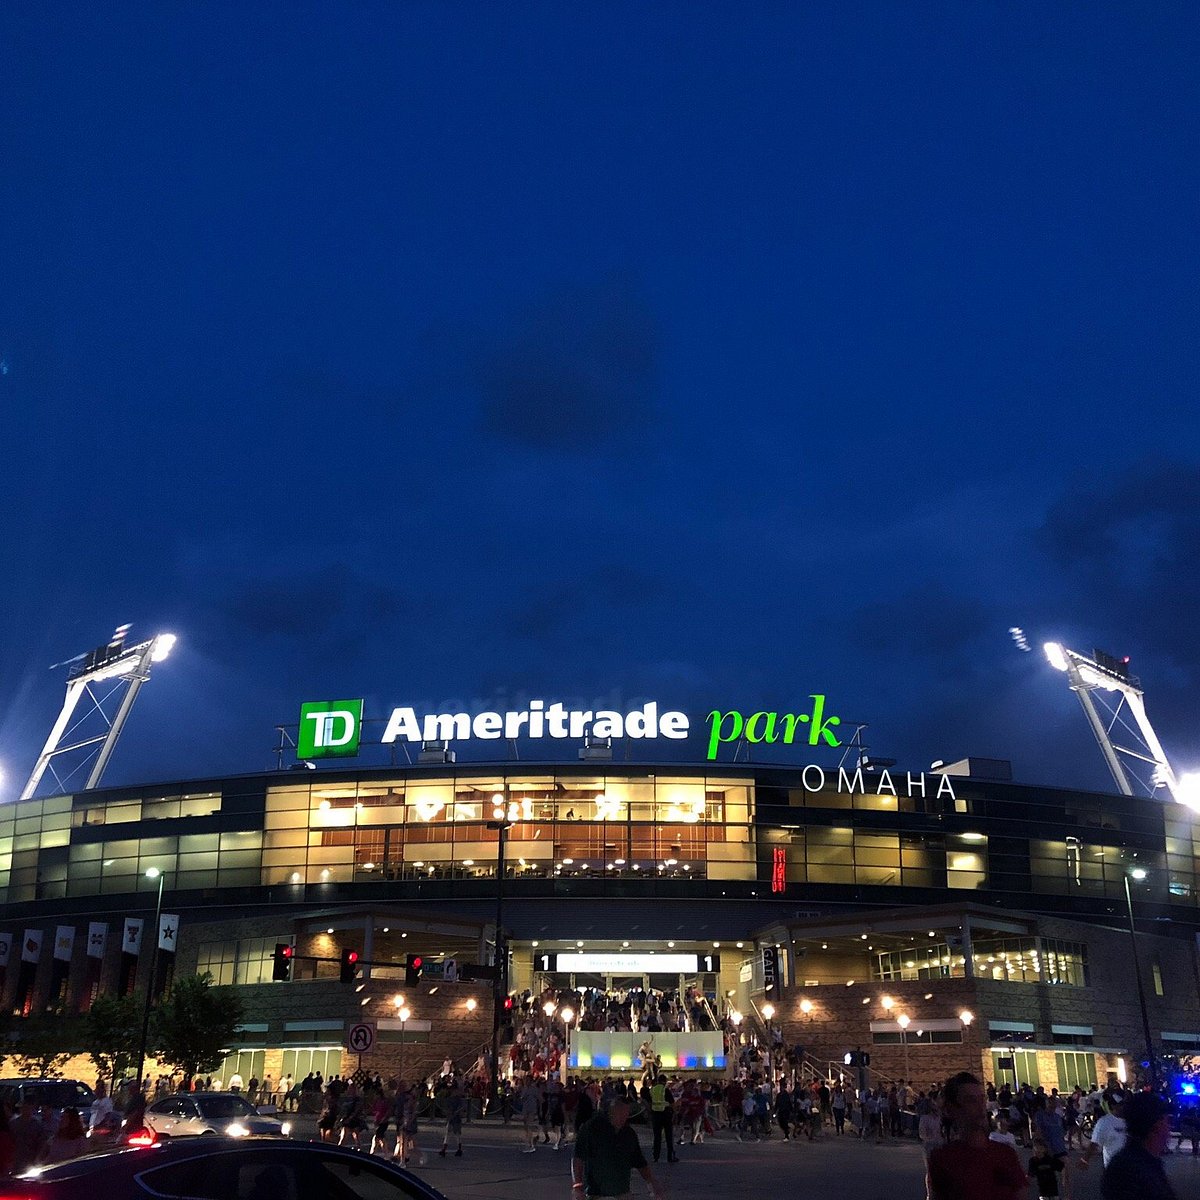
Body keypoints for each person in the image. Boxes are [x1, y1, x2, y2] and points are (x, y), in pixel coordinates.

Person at [927, 1072, 1026, 1200]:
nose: (980, 1107)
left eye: (982, 1099)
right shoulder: (942, 1159)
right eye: (970, 1100)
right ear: (951, 1109)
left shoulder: (1006, 1154)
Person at [572, 1095, 665, 1200]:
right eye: (620, 1114)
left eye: (626, 1115)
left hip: (622, 1192)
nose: (623, 1119)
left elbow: (639, 1161)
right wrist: (577, 1186)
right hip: (596, 1194)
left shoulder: (628, 1133)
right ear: (611, 1112)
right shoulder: (592, 1128)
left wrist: (651, 1182)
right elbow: (578, 1158)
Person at [1100, 1092, 1175, 1200]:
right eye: (1167, 1122)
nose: (1168, 1129)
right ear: (1156, 1127)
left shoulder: (1148, 1161)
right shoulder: (1128, 1171)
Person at [1079, 1095, 1126, 1171]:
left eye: (1123, 1104)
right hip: (1113, 1167)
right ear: (1113, 1106)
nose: (1123, 1106)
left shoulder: (1130, 1120)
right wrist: (1085, 1159)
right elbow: (1094, 1143)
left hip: (1131, 1167)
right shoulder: (1104, 1122)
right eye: (1120, 1104)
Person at [1029, 1135, 1065, 1200]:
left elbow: (1062, 1167)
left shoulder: (1050, 1159)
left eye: (1040, 1148)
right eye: (1036, 1148)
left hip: (1053, 1188)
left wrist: (1063, 1179)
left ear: (1044, 1149)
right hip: (1042, 1189)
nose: (1038, 1150)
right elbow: (1031, 1173)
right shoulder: (1033, 1161)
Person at [440, 1082, 466, 1157]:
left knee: (452, 1134)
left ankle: (446, 1149)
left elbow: (450, 1108)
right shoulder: (455, 1099)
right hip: (454, 1118)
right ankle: (455, 1149)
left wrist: (451, 1114)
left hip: (454, 1118)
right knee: (454, 1134)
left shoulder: (453, 1099)